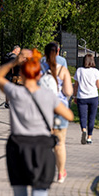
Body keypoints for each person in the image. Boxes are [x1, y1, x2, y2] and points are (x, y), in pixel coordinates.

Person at [0, 49, 76, 196]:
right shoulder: (48, 96)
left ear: (22, 75)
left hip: (17, 148)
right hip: (42, 148)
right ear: (39, 75)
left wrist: (14, 62)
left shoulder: (15, 93)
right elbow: (69, 116)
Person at [38, 42, 73, 182]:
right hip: (59, 110)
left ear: (45, 53)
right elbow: (68, 91)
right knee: (60, 143)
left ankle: (42, 171)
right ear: (58, 52)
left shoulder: (39, 69)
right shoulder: (62, 70)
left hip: (42, 110)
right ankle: (60, 173)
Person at [72, 54, 99, 144]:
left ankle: (83, 130)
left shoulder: (79, 71)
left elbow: (76, 85)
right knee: (91, 117)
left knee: (83, 116)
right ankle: (89, 137)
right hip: (93, 97)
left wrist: (74, 96)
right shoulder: (96, 71)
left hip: (82, 97)